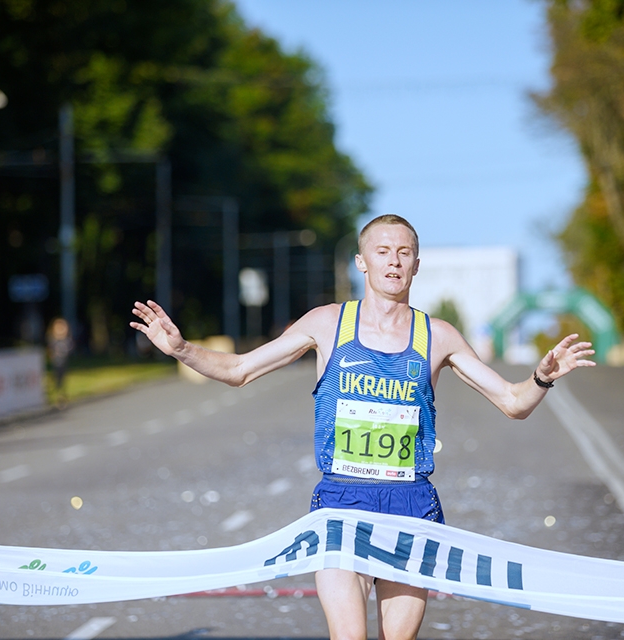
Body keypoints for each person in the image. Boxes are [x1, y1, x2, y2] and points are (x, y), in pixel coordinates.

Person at [130, 214, 595, 640]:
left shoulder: (439, 336)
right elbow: (239, 369)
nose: (393, 261)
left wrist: (541, 378)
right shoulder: (328, 323)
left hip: (410, 505)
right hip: (341, 502)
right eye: (382, 251)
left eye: (404, 253)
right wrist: (182, 349)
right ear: (362, 262)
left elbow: (513, 402)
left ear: (416, 266)